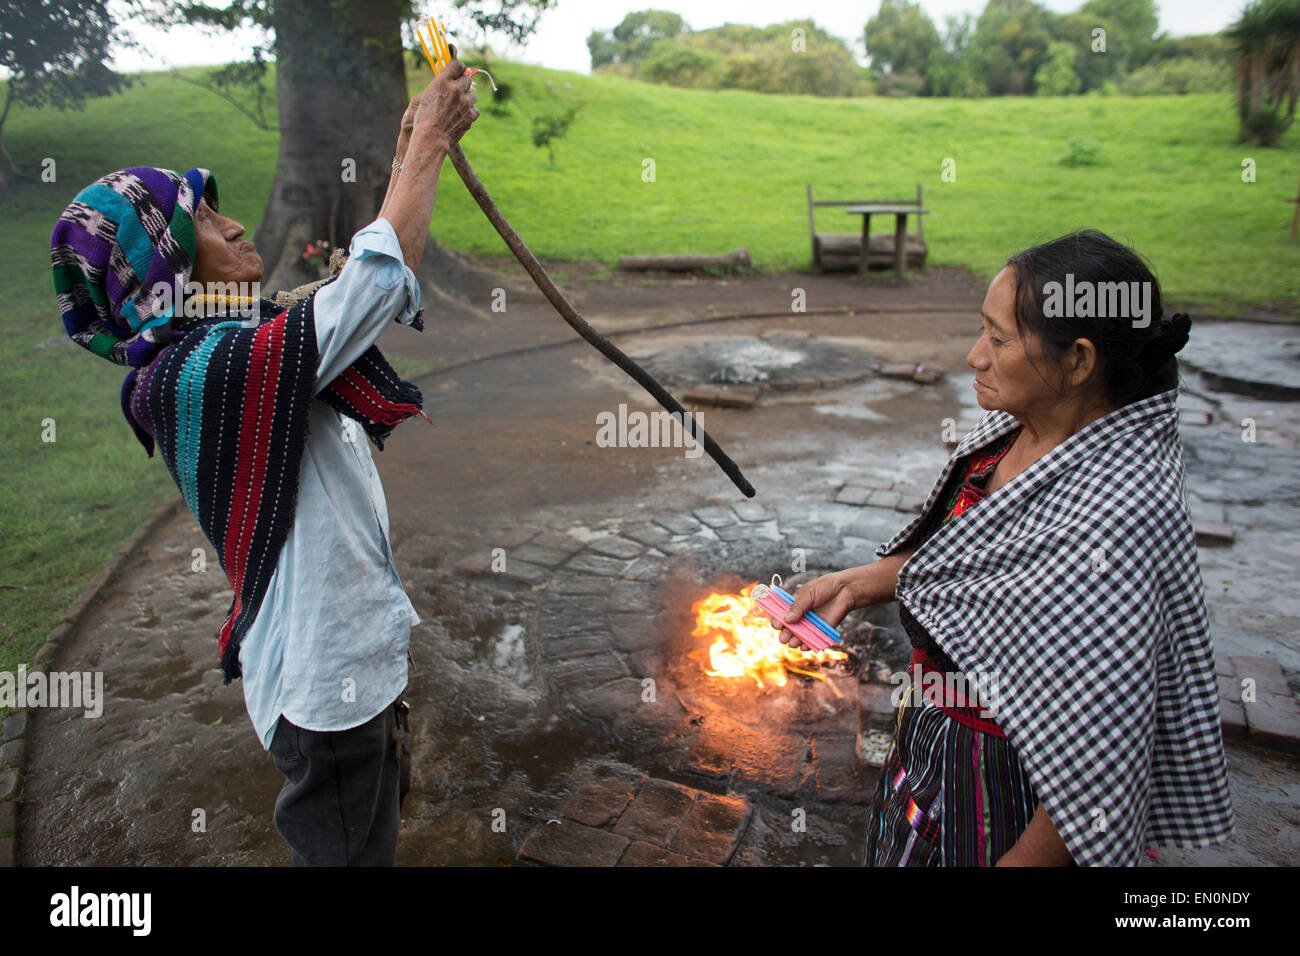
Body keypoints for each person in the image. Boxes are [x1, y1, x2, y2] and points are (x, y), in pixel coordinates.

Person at [49, 60, 480, 865]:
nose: (237, 226)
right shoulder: (200, 372)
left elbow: (349, 291)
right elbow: (370, 292)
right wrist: (428, 147)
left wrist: (407, 155)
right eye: (206, 222)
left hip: (340, 669)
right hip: (328, 688)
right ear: (163, 271)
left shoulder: (232, 343)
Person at [775, 230, 1234, 866]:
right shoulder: (1020, 429)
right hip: (934, 745)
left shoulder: (1115, 521)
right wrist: (858, 582)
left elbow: (1097, 765)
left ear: (1077, 361)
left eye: (998, 339)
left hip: (1005, 795)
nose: (974, 356)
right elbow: (973, 563)